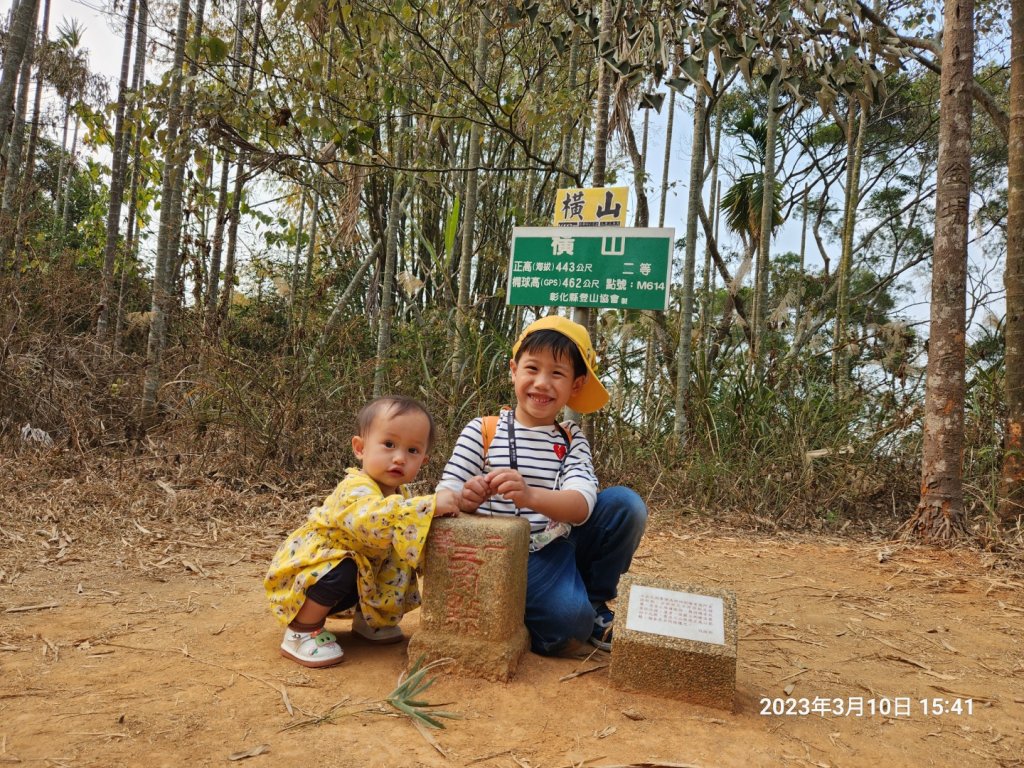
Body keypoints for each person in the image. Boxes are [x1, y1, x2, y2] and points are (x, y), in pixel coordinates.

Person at [437, 315, 646, 656]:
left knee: (626, 505)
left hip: (557, 542)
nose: (542, 383)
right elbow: (443, 495)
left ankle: (593, 601)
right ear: (513, 370)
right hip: (508, 555)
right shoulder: (483, 430)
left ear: (575, 385)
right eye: (532, 369)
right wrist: (465, 498)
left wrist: (530, 495)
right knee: (568, 624)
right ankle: (559, 609)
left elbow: (581, 506)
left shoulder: (571, 439)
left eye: (557, 374)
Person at [265, 395, 458, 668]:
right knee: (346, 566)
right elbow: (373, 521)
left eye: (412, 451)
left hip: (358, 574)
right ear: (360, 448)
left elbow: (408, 530)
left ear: (424, 460)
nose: (400, 458)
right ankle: (301, 631)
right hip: (310, 573)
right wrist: (431, 505)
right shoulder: (355, 486)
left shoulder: (402, 495)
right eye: (389, 444)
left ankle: (370, 621)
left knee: (398, 557)